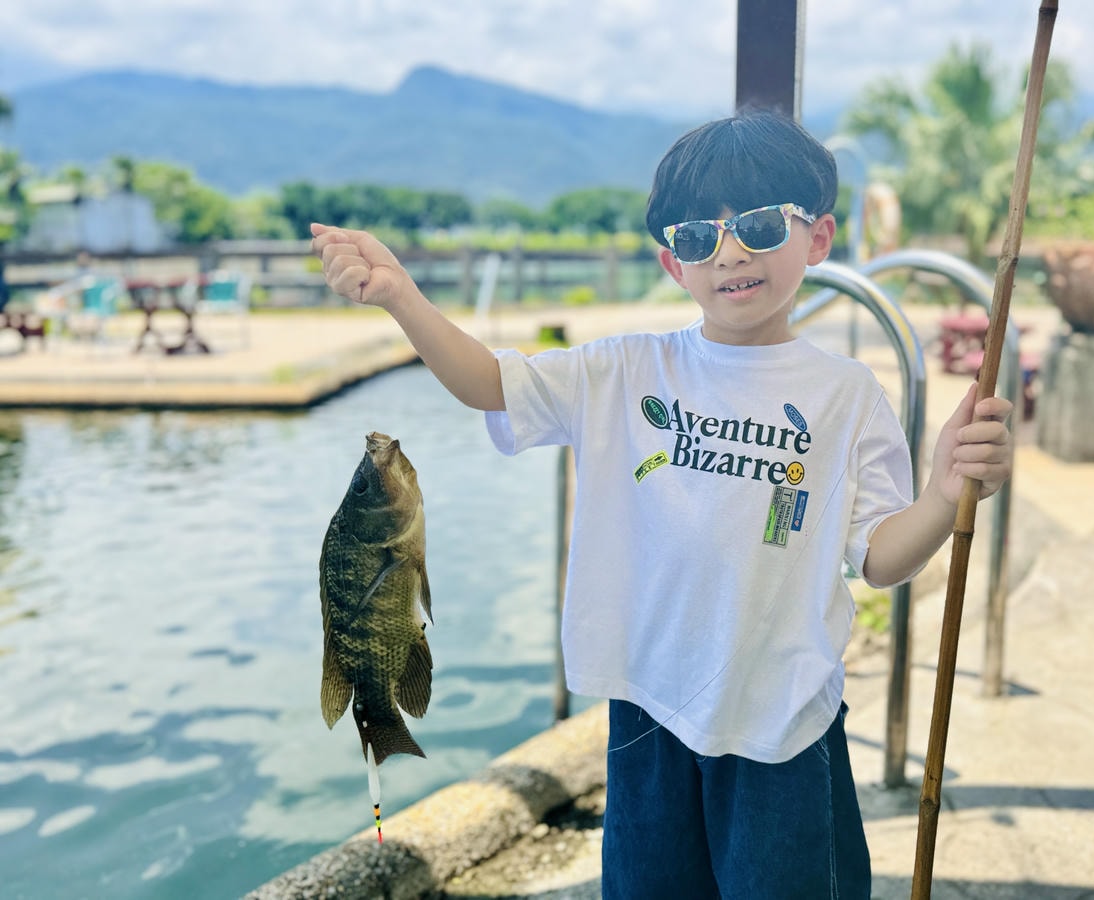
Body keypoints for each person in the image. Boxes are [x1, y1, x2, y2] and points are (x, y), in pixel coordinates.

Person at [310, 109, 1013, 899]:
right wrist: (401, 294)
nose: (731, 251)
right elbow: (488, 382)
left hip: (783, 722)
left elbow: (882, 556)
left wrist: (948, 489)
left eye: (757, 224)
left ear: (817, 239)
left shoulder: (847, 396)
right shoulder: (625, 371)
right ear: (671, 263)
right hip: (650, 711)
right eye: (696, 238)